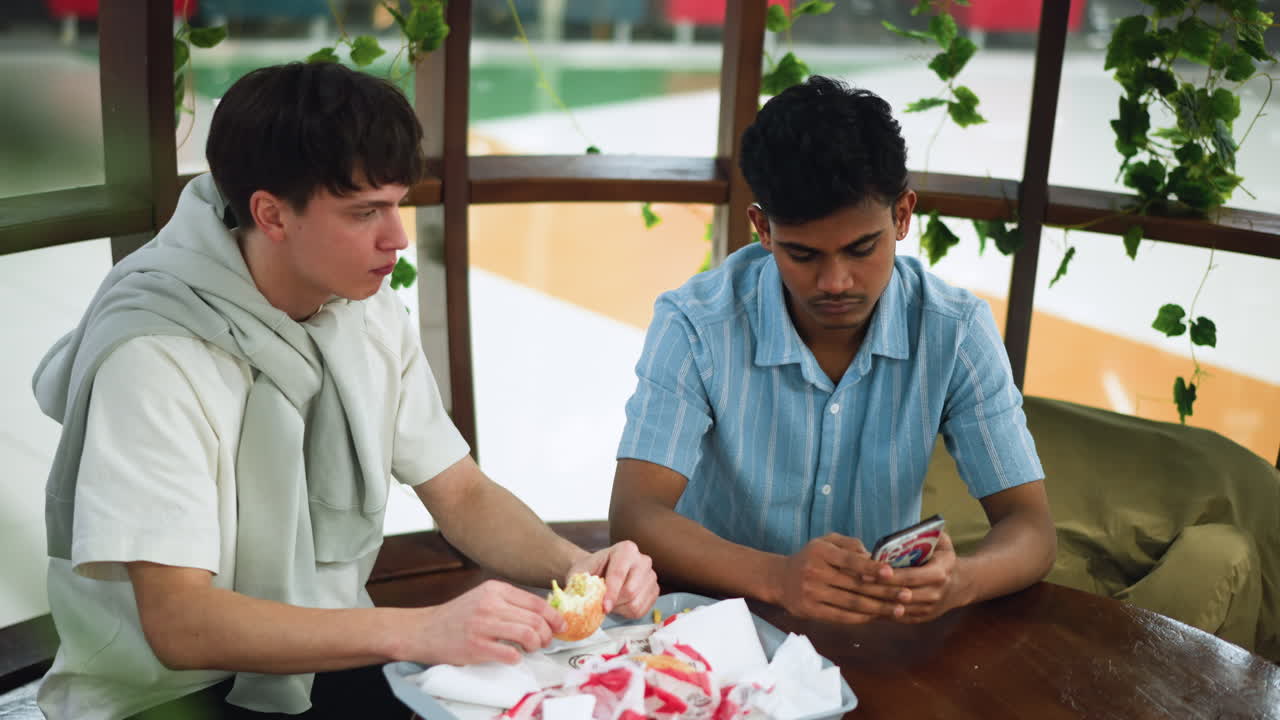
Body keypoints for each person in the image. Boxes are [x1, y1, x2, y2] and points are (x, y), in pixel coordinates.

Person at [32, 62, 658, 720]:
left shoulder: (363, 308)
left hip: (322, 659)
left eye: (397, 204)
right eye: (365, 213)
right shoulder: (154, 355)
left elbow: (461, 491)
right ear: (271, 214)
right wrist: (418, 630)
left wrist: (578, 566)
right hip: (162, 698)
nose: (397, 239)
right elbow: (179, 624)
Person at [610, 75, 1054, 627]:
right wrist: (776, 577)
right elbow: (636, 514)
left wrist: (961, 581)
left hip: (879, 634)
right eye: (802, 254)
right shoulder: (697, 324)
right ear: (762, 230)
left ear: (902, 216)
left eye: (861, 248)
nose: (835, 282)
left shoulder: (955, 331)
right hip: (720, 626)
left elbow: (1031, 529)